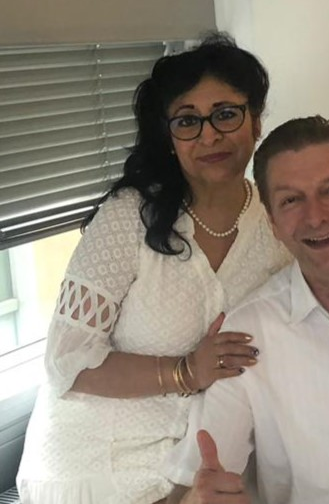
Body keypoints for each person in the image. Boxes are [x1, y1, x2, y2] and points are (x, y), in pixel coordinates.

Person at [16, 34, 292, 504]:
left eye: (226, 113)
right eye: (188, 121)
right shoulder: (129, 216)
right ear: (170, 137)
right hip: (95, 467)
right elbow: (67, 361)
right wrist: (186, 371)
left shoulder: (275, 223)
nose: (209, 135)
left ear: (256, 120)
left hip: (201, 466)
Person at [164, 115, 329, 504]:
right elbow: (194, 485)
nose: (315, 217)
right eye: (291, 200)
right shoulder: (247, 335)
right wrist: (195, 500)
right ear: (272, 222)